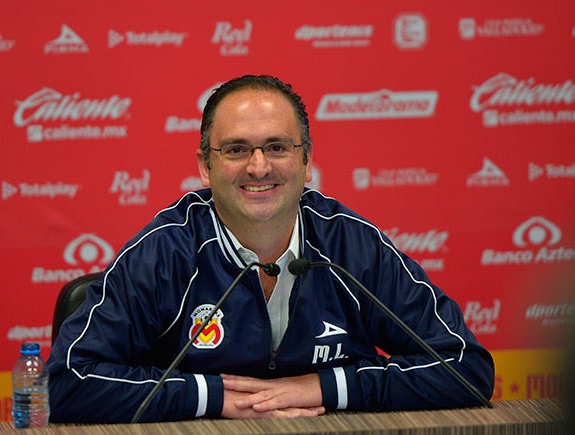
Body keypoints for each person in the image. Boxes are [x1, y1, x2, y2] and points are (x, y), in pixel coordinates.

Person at [47, 74, 495, 423]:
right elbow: (68, 382)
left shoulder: (350, 243)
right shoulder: (164, 252)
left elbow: (466, 368)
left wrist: (324, 387)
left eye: (277, 147)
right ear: (205, 166)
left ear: (307, 159)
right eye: (236, 150)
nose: (258, 167)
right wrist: (213, 397)